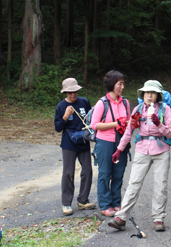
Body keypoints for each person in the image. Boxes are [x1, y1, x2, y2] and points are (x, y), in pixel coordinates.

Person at [107, 80, 171, 231]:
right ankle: (121, 217)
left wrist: (159, 124)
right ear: (142, 94)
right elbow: (129, 132)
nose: (149, 95)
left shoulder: (165, 110)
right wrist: (119, 149)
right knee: (134, 183)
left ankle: (158, 219)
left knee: (160, 185)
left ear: (158, 95)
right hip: (142, 150)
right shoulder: (138, 109)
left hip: (161, 150)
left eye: (153, 93)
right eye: (147, 92)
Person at [91, 70, 131, 217]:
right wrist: (116, 123)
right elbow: (94, 125)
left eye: (123, 84)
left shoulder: (125, 102)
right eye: (119, 84)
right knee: (105, 174)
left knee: (118, 174)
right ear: (112, 84)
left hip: (121, 143)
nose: (122, 87)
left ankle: (116, 202)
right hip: (105, 142)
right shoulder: (102, 103)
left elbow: (128, 122)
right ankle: (105, 205)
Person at [54, 78, 96, 216]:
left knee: (87, 171)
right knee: (68, 173)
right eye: (70, 92)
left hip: (83, 142)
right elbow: (58, 128)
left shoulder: (83, 102)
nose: (73, 95)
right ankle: (66, 203)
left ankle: (83, 200)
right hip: (68, 143)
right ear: (65, 92)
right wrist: (65, 116)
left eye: (75, 91)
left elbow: (91, 119)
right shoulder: (61, 106)